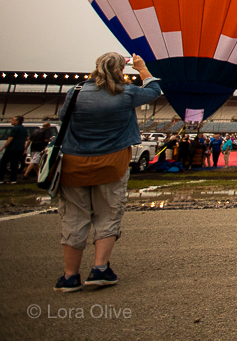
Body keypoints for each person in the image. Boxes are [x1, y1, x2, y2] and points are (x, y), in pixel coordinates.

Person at [54, 53, 161, 292]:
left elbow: (63, 117)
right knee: (108, 213)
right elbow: (154, 91)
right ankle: (100, 269)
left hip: (74, 163)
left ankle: (70, 276)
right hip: (111, 163)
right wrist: (142, 68)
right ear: (121, 69)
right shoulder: (126, 93)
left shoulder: (76, 92)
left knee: (74, 217)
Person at [1, 115, 29, 184]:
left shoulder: (15, 128)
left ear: (17, 121)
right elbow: (28, 139)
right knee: (15, 164)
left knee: (2, 163)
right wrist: (24, 148)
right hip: (19, 149)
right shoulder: (24, 129)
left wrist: (3, 147)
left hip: (11, 149)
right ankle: (13, 179)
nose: (12, 121)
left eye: (13, 120)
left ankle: (1, 179)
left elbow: (10, 138)